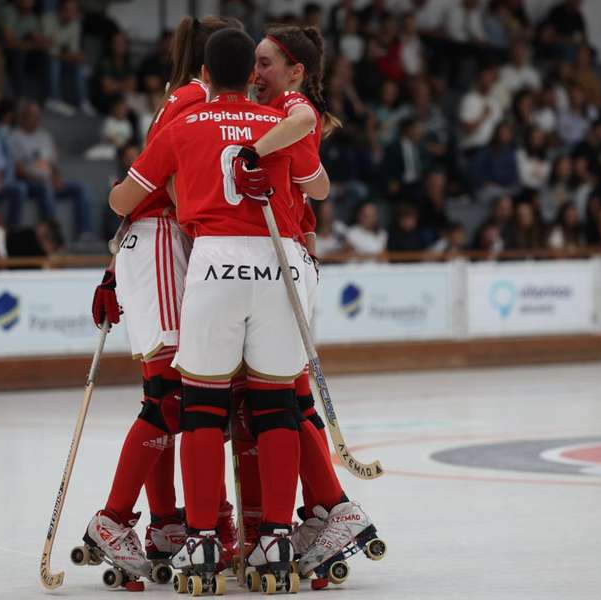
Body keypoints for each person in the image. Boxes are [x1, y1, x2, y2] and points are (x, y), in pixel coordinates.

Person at [109, 27, 329, 584]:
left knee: (203, 406)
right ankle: (277, 540)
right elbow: (317, 185)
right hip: (277, 264)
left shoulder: (184, 123)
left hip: (215, 265)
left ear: (204, 76)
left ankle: (202, 540)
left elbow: (123, 198)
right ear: (252, 76)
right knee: (277, 405)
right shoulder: (275, 119)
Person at [84, 16, 244, 580]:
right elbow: (150, 181)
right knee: (170, 400)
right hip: (158, 242)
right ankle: (113, 519)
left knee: (166, 396)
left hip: (152, 244)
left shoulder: (185, 94)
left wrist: (111, 268)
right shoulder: (195, 99)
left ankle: (166, 522)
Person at [241, 23, 380, 573]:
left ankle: (335, 506)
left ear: (296, 71)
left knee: (286, 398)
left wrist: (248, 150)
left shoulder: (293, 105)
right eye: (253, 62)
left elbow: (306, 133)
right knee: (290, 397)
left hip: (283, 261)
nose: (257, 73)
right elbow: (314, 186)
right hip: (289, 256)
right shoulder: (279, 108)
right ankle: (328, 507)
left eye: (266, 63)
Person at [10, 100, 91, 240]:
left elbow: (53, 164)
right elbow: (18, 170)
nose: (36, 119)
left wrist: (57, 177)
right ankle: (53, 234)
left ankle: (84, 234)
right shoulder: (15, 137)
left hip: (49, 180)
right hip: (31, 183)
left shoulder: (44, 136)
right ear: (23, 116)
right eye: (31, 115)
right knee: (46, 187)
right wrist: (42, 179)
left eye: (37, 116)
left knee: (81, 188)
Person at [42, 0, 91, 116]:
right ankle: (54, 100)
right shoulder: (47, 19)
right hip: (40, 59)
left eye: (74, 10)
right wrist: (66, 55)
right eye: (68, 10)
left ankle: (83, 101)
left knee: (80, 65)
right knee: (54, 63)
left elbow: (74, 52)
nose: (71, 13)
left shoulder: (75, 24)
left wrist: (72, 56)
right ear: (60, 10)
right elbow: (49, 51)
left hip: (60, 57)